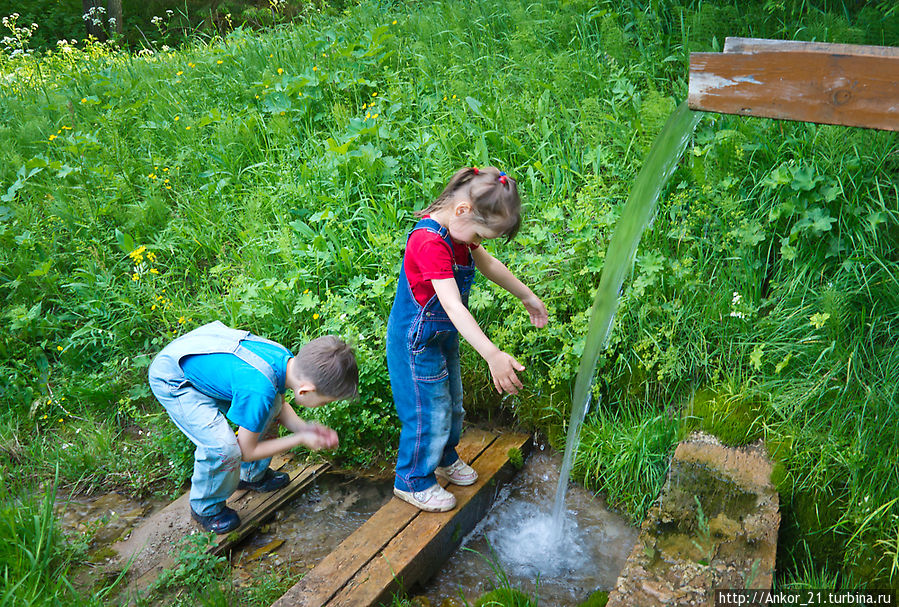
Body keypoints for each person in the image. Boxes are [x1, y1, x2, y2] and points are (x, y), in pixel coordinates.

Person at [386, 166, 548, 512]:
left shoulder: (459, 232)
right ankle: (412, 480)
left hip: (439, 336)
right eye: (479, 234)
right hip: (416, 343)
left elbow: (489, 265)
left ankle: (443, 457)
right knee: (427, 411)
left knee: (452, 406)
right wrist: (491, 353)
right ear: (462, 211)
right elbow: (452, 305)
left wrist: (527, 296)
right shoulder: (429, 242)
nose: (478, 243)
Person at [148, 321, 358, 533]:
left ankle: (250, 477)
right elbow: (246, 452)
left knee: (271, 406)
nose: (323, 406)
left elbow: (279, 406)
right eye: (324, 402)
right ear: (305, 391)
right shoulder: (259, 389)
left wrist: (306, 429)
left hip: (206, 357)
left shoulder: (287, 361)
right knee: (224, 448)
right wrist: (300, 439)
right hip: (175, 377)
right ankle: (206, 507)